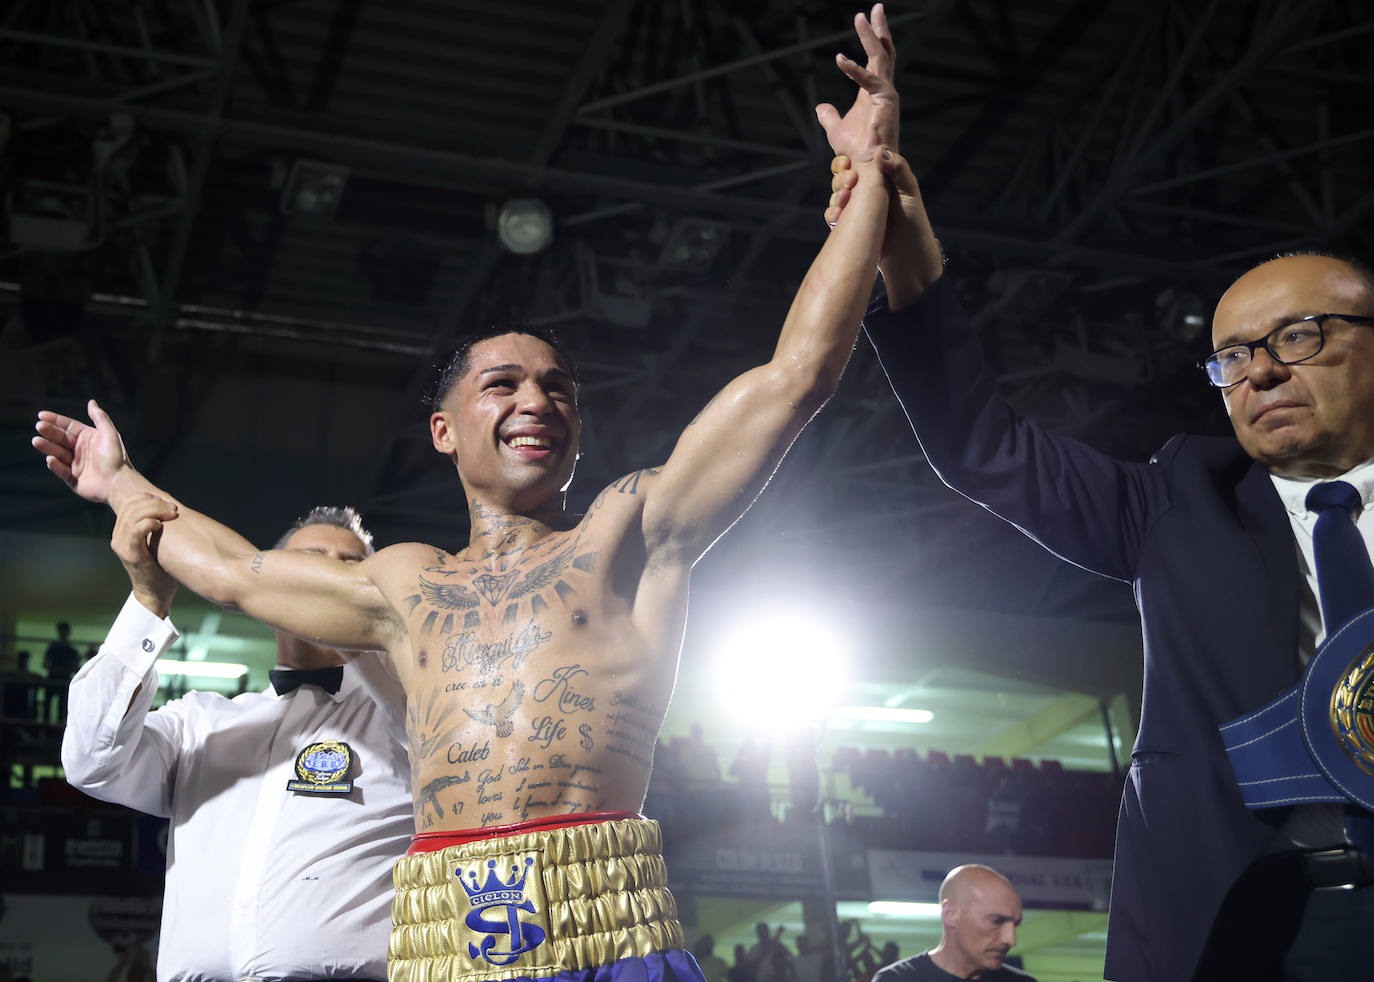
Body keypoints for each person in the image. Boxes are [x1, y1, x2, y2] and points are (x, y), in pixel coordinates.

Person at [34, 7, 899, 978]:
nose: (538, 399)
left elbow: (795, 377)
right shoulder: (404, 587)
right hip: (444, 942)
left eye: (558, 386)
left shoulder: (629, 530)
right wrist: (119, 484)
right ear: (443, 429)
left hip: (605, 925)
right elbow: (235, 573)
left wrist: (867, 178)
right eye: (504, 382)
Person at [820, 63, 1374, 982]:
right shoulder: (1176, 501)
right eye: (1233, 357)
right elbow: (980, 446)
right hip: (1237, 934)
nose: (1263, 372)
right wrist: (901, 239)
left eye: (1299, 336)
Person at [62, 501, 412, 981]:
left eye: (349, 568)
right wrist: (147, 599)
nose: (326, 579)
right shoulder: (200, 721)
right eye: (310, 562)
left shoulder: (411, 717)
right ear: (265, 588)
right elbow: (89, 762)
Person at [872, 866, 1031, 982]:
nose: (1011, 939)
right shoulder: (897, 980)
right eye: (996, 921)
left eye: (1015, 924)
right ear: (950, 914)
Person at [43, 620, 80, 722]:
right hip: (54, 678)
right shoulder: (53, 647)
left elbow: (75, 667)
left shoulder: (71, 650)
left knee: (63, 706)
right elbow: (45, 664)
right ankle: (47, 727)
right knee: (48, 704)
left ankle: (58, 729)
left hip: (62, 679)